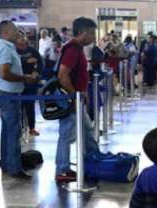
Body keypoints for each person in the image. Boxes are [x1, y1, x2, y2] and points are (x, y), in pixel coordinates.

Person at [55, 17, 101, 182]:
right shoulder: (73, 49)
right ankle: (62, 169)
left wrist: (82, 92)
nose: (93, 37)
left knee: (87, 130)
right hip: (70, 99)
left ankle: (94, 159)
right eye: (91, 33)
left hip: (76, 97)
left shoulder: (77, 48)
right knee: (67, 133)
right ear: (82, 33)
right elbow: (62, 74)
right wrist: (74, 94)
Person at [0, 20, 38, 179]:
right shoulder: (5, 49)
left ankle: (7, 162)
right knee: (13, 131)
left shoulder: (6, 47)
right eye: (14, 30)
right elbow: (4, 73)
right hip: (8, 94)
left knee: (7, 130)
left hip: (7, 92)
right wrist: (24, 78)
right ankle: (14, 167)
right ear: (5, 32)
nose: (17, 32)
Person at [15, 32, 43, 137]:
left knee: (30, 105)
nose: (22, 41)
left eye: (23, 39)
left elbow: (40, 62)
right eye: (20, 39)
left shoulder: (32, 50)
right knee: (19, 106)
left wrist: (37, 72)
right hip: (19, 81)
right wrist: (26, 60)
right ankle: (21, 128)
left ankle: (31, 127)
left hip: (31, 82)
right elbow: (16, 63)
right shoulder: (14, 51)